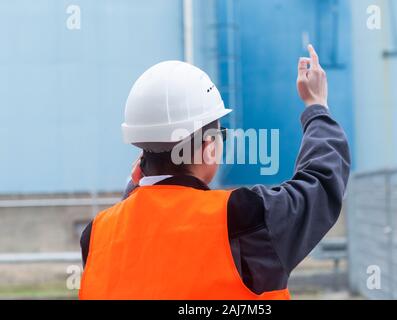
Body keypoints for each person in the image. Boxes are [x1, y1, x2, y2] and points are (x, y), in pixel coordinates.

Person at [78, 44, 351, 300]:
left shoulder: (96, 237)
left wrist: (136, 186)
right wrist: (316, 106)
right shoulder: (242, 218)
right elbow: (322, 182)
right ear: (209, 146)